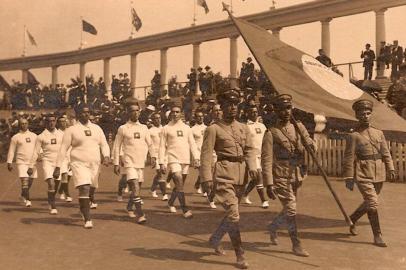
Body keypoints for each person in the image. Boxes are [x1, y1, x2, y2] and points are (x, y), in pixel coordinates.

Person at [200, 89, 257, 269]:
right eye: (229, 105)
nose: (233, 108)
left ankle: (215, 238)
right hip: (224, 174)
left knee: (233, 213)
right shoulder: (213, 129)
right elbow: (206, 155)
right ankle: (240, 254)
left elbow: (249, 150)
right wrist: (207, 178)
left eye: (235, 105)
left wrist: (253, 167)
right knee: (234, 214)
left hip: (241, 175)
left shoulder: (243, 127)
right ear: (222, 107)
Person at [262, 94, 316, 257]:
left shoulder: (299, 126)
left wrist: (311, 146)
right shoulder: (271, 133)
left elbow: (310, 143)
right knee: (291, 209)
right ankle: (296, 244)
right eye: (282, 109)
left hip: (297, 173)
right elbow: (266, 160)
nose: (286, 112)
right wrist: (269, 183)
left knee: (289, 208)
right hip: (281, 175)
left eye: (288, 108)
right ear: (276, 111)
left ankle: (273, 226)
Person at [342, 99, 395, 247]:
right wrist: (349, 177)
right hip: (363, 172)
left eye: (368, 113)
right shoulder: (354, 136)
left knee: (369, 202)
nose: (365, 116)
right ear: (357, 116)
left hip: (379, 173)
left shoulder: (379, 133)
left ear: (371, 114)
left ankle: (352, 218)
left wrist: (390, 168)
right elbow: (349, 157)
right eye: (362, 114)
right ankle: (377, 235)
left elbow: (386, 153)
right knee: (372, 202)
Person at [53, 104, 110, 229]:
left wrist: (106, 156)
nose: (86, 114)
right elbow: (63, 149)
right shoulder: (71, 130)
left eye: (88, 112)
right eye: (84, 112)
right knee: (84, 188)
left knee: (91, 189)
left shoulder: (97, 128)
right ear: (78, 114)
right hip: (79, 164)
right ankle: (87, 218)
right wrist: (58, 167)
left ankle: (83, 208)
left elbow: (104, 144)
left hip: (95, 164)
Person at [113, 102, 156, 224]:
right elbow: (117, 146)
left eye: (137, 110)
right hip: (129, 162)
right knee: (135, 187)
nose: (135, 113)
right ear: (128, 112)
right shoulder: (123, 128)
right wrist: (116, 163)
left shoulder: (144, 128)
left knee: (137, 189)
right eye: (132, 111)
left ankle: (129, 207)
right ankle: (141, 214)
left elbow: (150, 144)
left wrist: (153, 156)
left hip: (140, 163)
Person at [158, 104, 200, 218]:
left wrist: (196, 158)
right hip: (173, 158)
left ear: (181, 113)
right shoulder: (166, 128)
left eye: (177, 112)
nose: (175, 114)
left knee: (179, 185)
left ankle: (171, 202)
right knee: (178, 178)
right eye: (173, 112)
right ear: (171, 113)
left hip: (185, 159)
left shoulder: (187, 128)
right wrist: (162, 162)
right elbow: (162, 146)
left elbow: (192, 144)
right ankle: (185, 209)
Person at [28, 114, 64, 214]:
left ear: (56, 122)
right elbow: (35, 152)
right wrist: (31, 166)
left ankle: (50, 199)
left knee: (55, 185)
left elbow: (66, 149)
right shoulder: (41, 137)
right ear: (45, 123)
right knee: (51, 184)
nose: (51, 123)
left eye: (53, 121)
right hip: (47, 162)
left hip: (59, 163)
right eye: (49, 121)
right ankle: (53, 206)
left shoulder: (62, 135)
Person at [241, 105, 269, 208]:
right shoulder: (245, 126)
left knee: (255, 178)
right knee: (258, 176)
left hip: (262, 155)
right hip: (252, 155)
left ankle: (245, 194)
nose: (254, 114)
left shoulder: (262, 126)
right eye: (252, 112)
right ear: (247, 113)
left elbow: (266, 140)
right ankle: (264, 200)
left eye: (256, 112)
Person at [7, 118, 38, 207]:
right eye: (22, 124)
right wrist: (9, 162)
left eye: (25, 123)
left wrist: (41, 154)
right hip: (21, 162)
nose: (24, 125)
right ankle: (28, 200)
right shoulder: (15, 137)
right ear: (19, 125)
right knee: (25, 181)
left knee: (30, 182)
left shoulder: (34, 136)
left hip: (32, 163)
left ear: (28, 124)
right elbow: (11, 150)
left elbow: (38, 147)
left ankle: (22, 195)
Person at [149, 113, 168, 201]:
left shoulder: (165, 129)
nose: (158, 120)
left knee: (160, 174)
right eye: (156, 118)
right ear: (153, 120)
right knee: (160, 173)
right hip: (156, 154)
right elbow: (148, 144)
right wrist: (150, 156)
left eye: (159, 118)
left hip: (165, 154)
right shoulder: (150, 131)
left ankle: (153, 189)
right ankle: (165, 194)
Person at [56, 115, 73, 202]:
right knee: (64, 175)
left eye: (64, 121)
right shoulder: (56, 133)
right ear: (58, 123)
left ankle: (61, 191)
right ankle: (67, 195)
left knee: (69, 175)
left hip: (70, 156)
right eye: (61, 122)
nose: (63, 123)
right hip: (62, 157)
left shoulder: (69, 132)